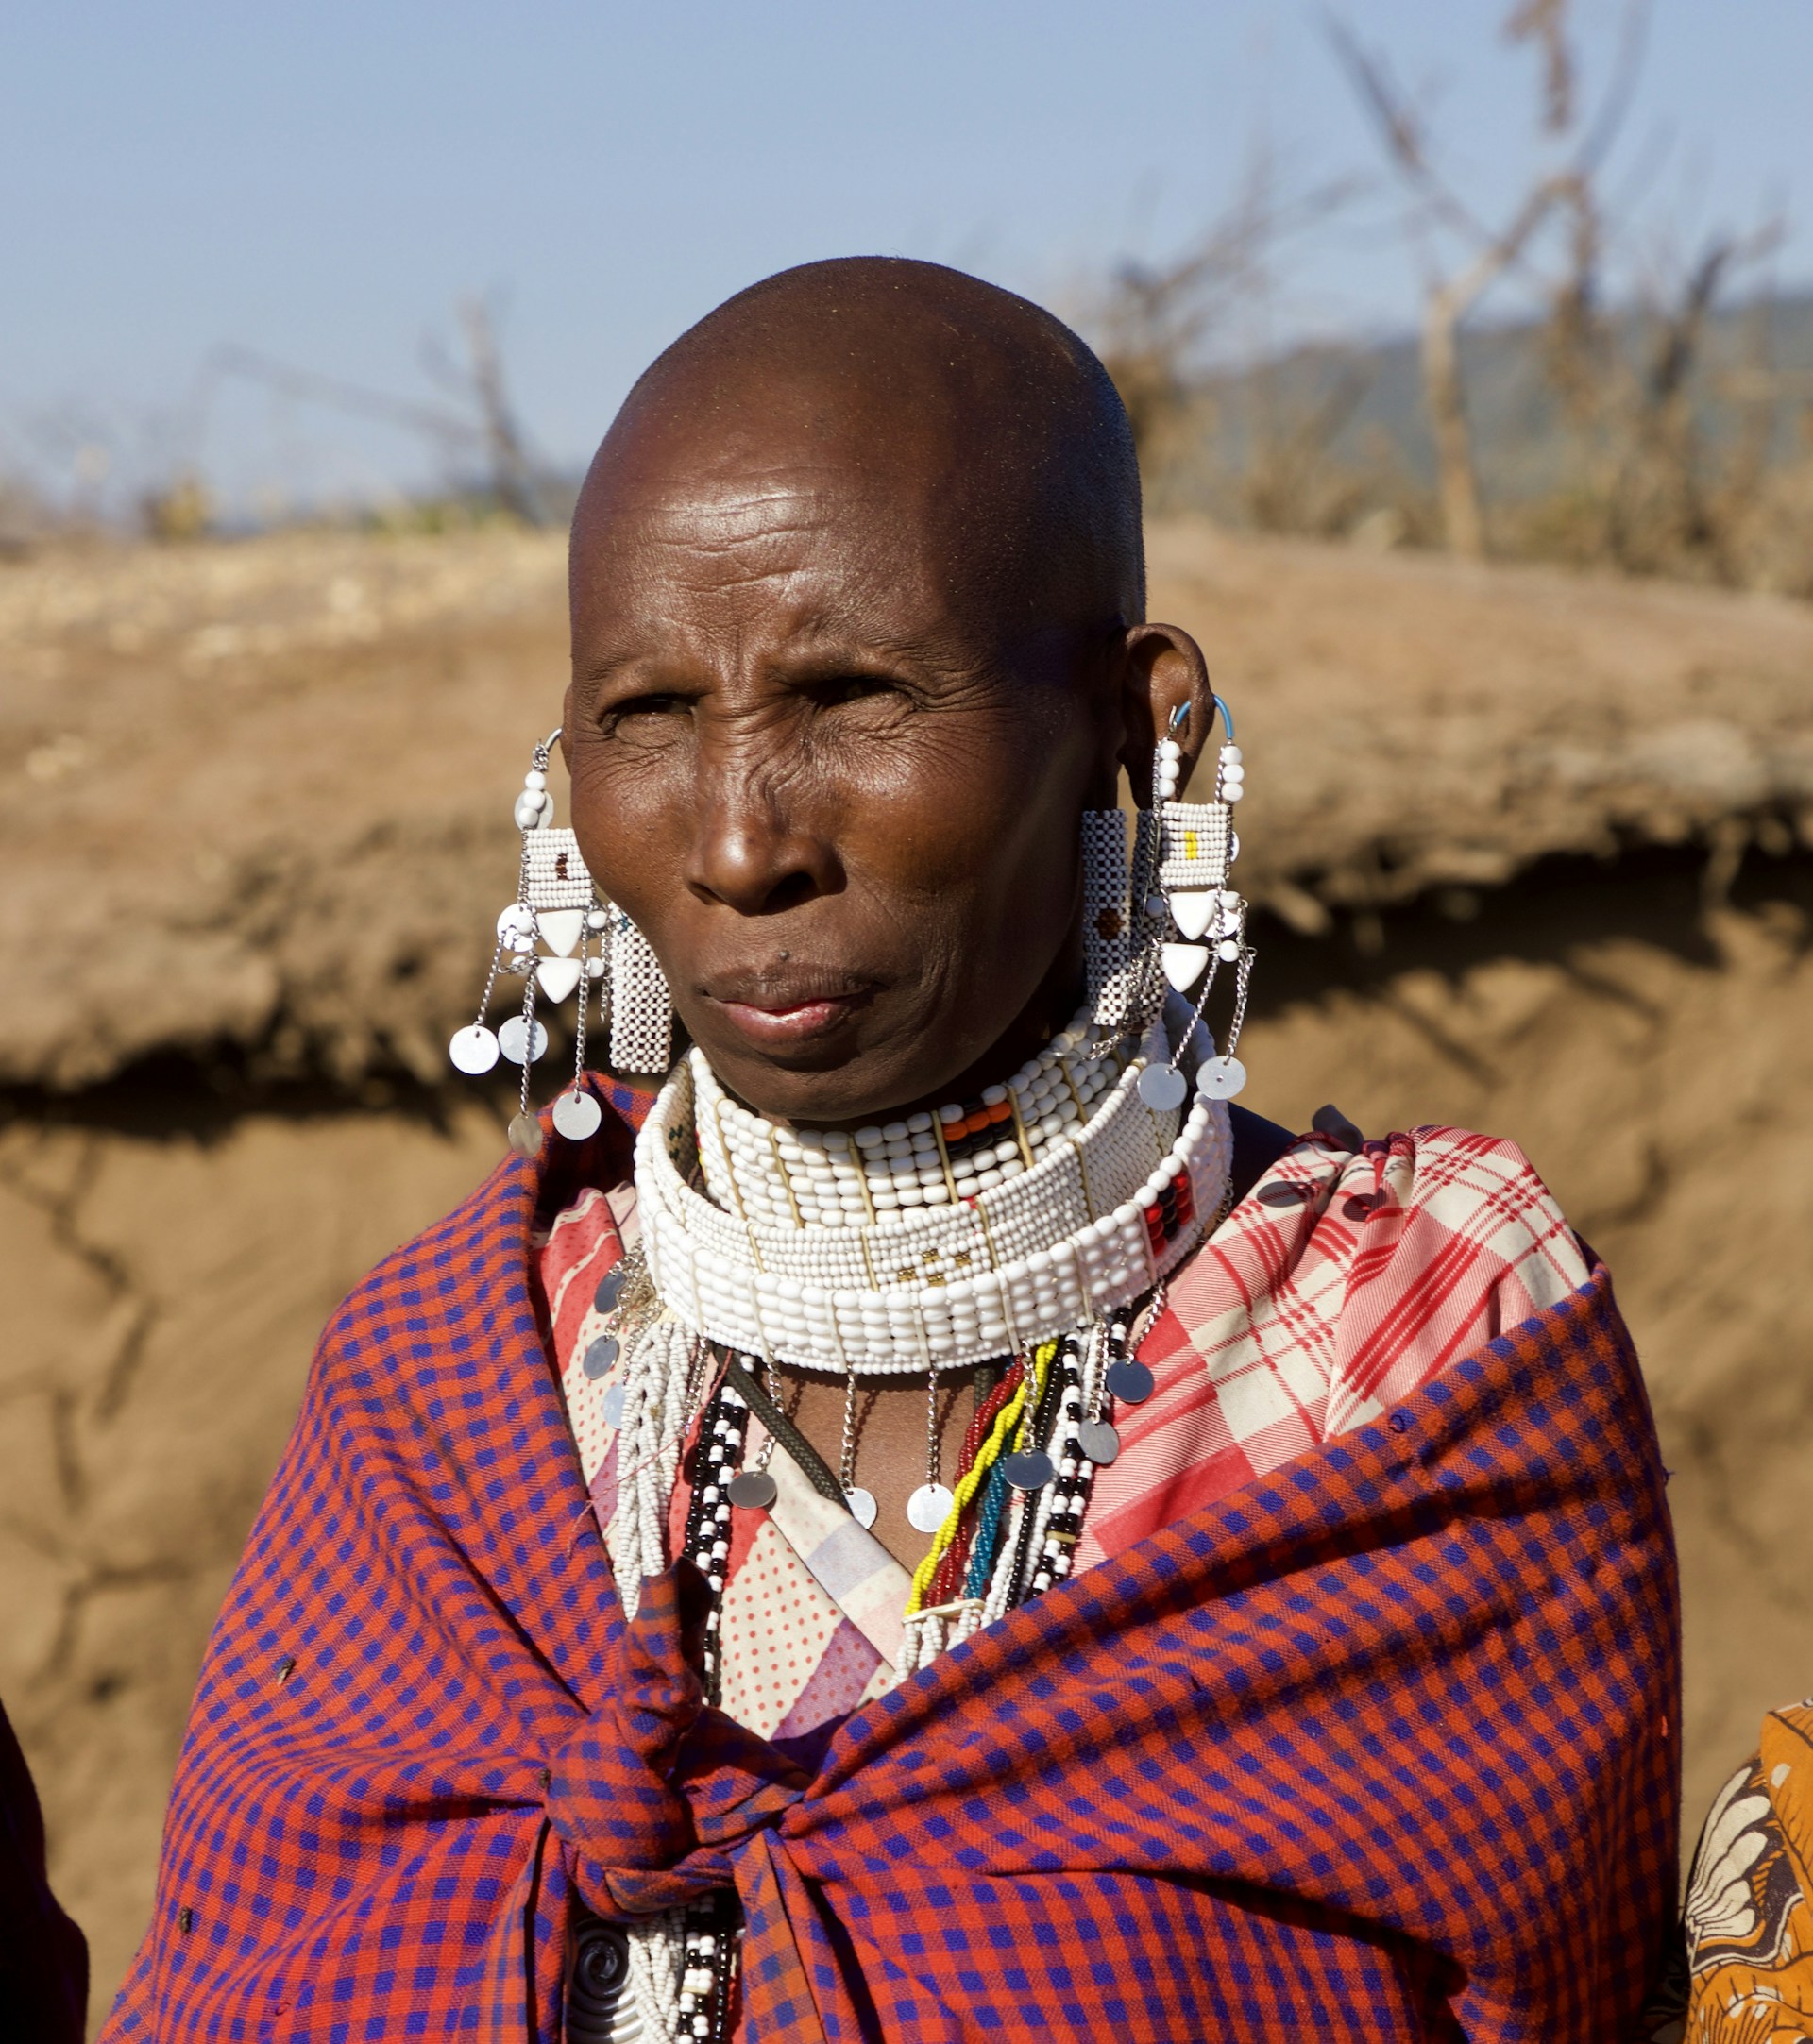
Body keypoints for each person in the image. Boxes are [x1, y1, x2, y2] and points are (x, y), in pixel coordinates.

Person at [103, 259, 1679, 2043]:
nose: (737, 837)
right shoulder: (454, 1396)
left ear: (1132, 726)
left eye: (852, 698)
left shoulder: (1403, 1357)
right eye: (648, 715)